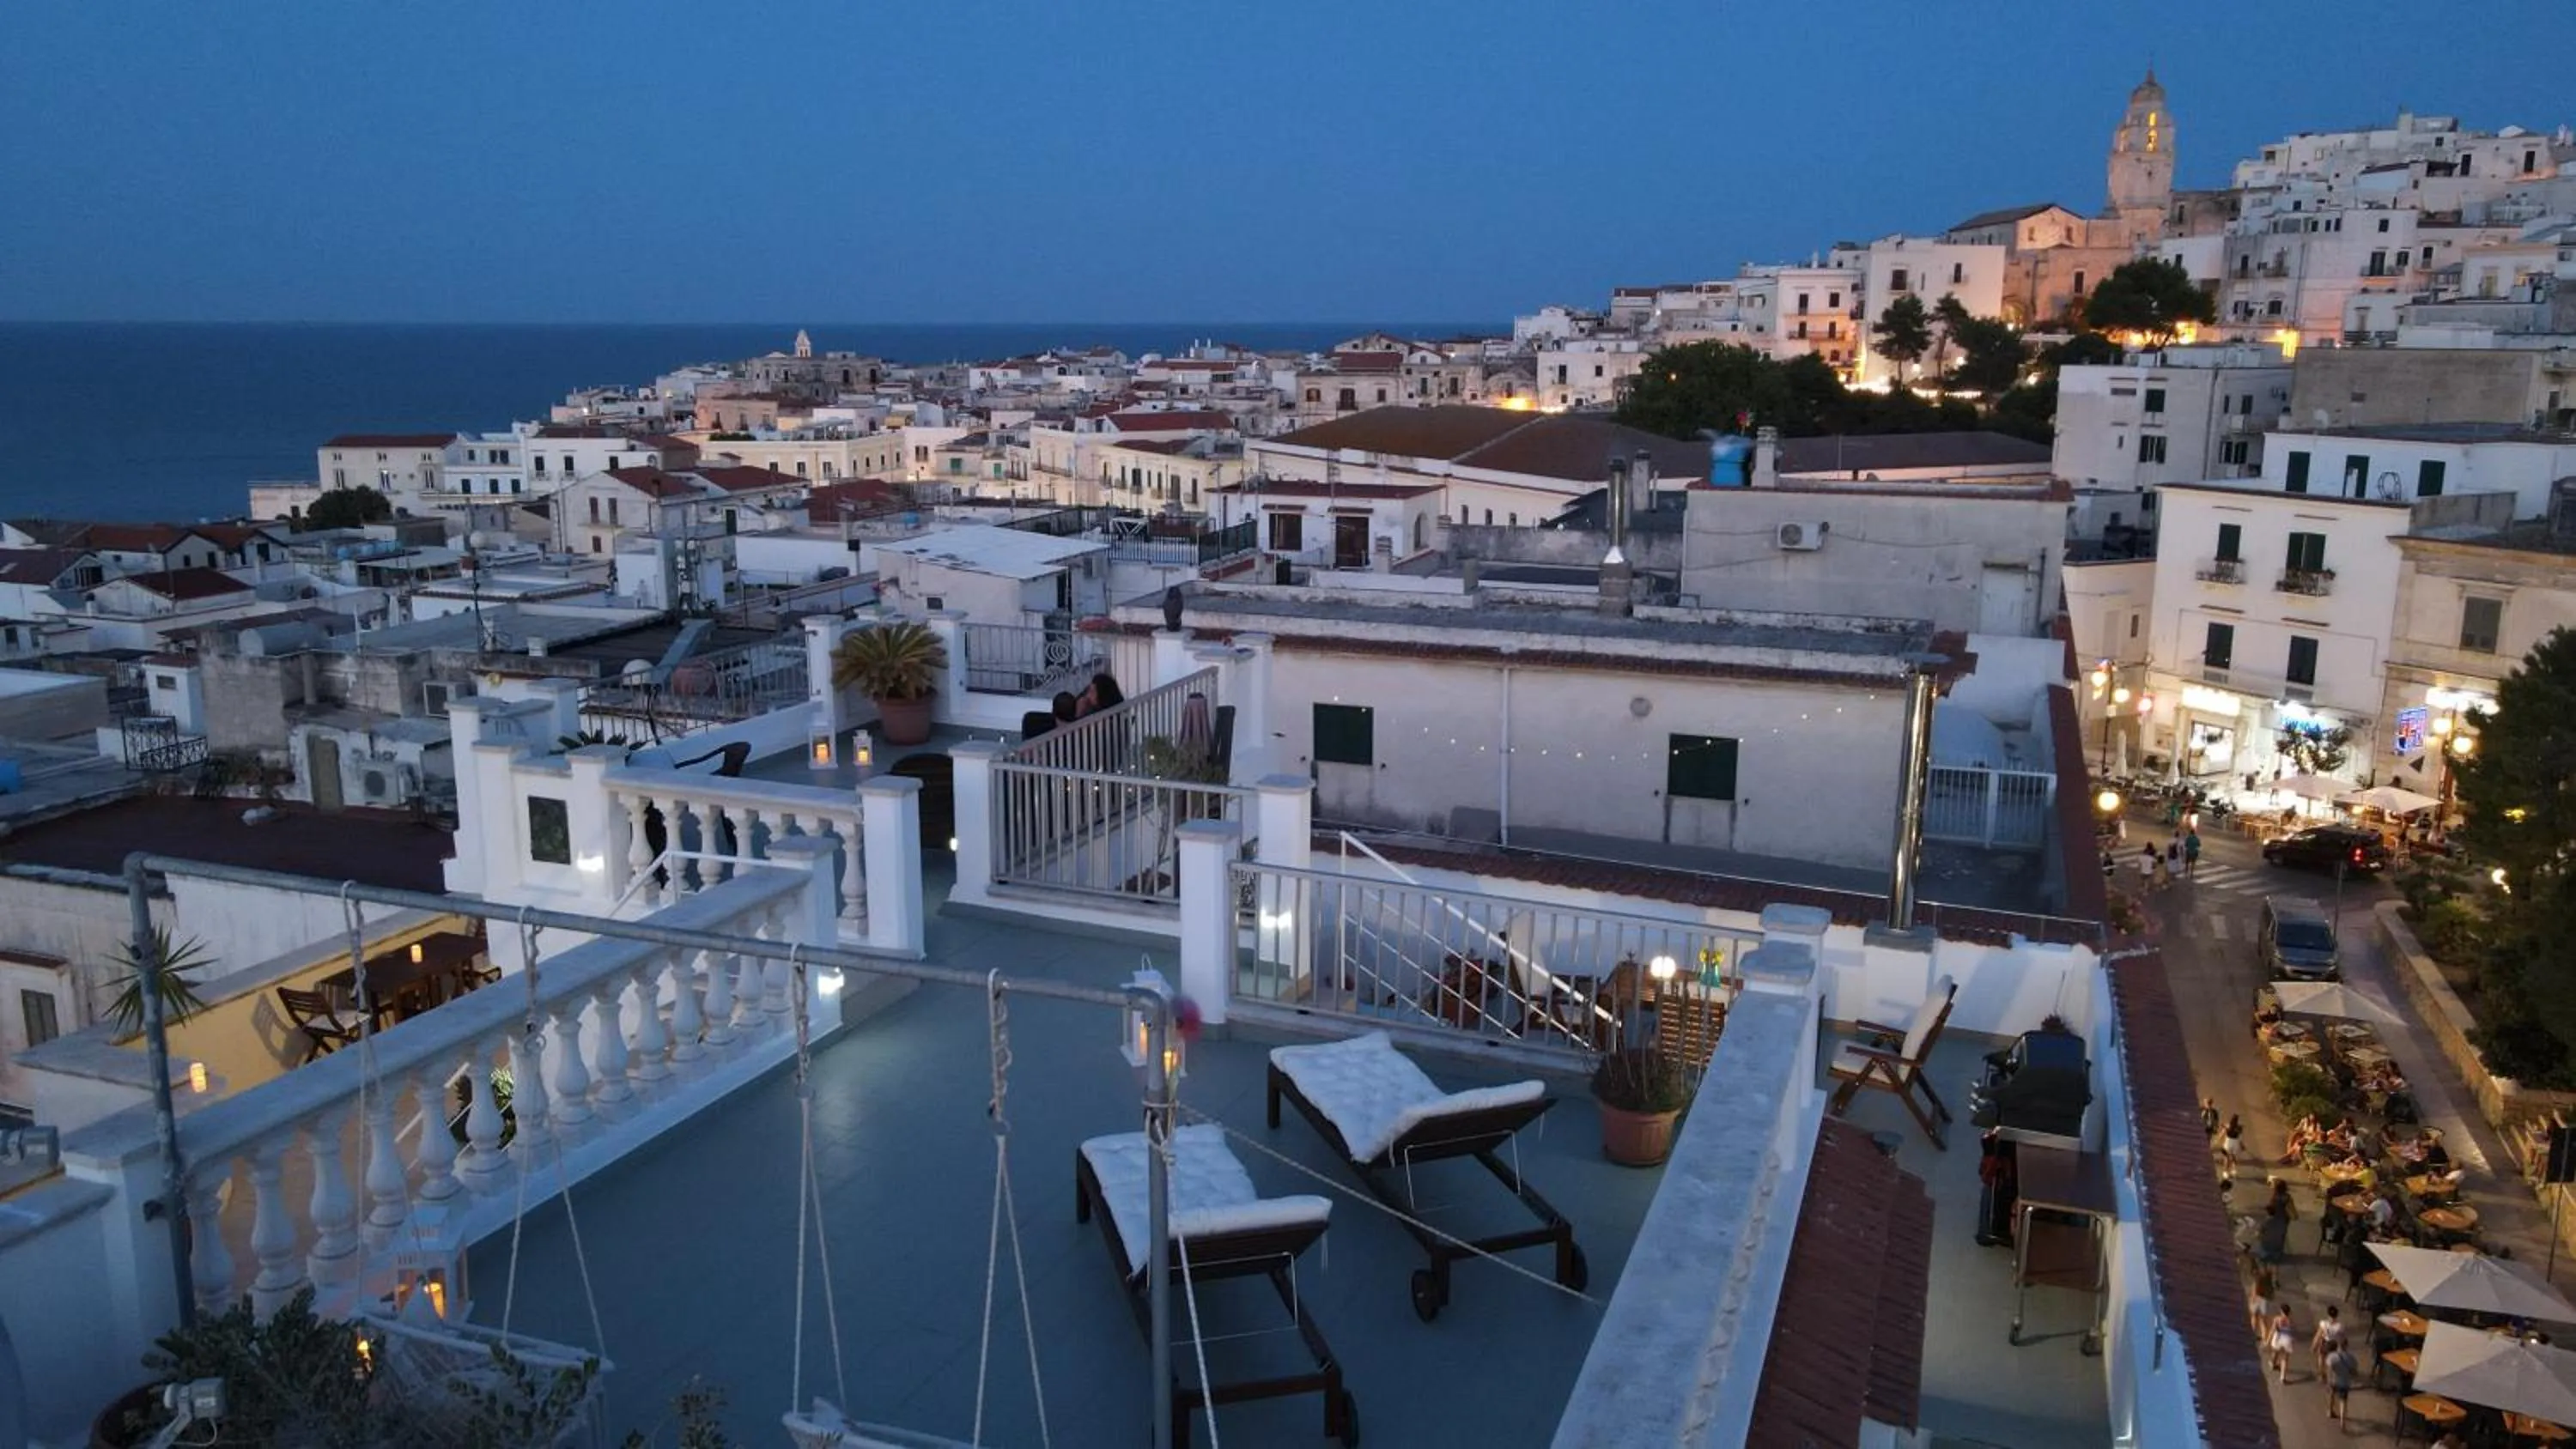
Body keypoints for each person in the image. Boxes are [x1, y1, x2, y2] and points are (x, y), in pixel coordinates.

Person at [2312, 1304, 2347, 1383]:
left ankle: (2322, 1375)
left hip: (2325, 1343)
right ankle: (2330, 1375)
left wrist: (2314, 1345)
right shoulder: (2340, 1326)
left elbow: (2318, 1335)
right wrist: (2343, 1347)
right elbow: (2343, 1338)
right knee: (2331, 1360)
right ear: (2337, 1315)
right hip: (2334, 1344)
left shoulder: (2324, 1324)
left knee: (2321, 1358)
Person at [2324, 1337, 2356, 1422]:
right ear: (2347, 1346)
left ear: (2338, 1346)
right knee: (2343, 1401)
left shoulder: (2332, 1356)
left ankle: (2330, 1411)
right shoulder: (2351, 1357)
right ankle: (2342, 1420)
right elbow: (2354, 1370)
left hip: (2334, 1381)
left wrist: (2328, 1380)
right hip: (2345, 1382)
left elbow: (2329, 1368)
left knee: (2332, 1394)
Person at [2268, 1301, 2299, 1383]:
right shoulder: (2291, 1321)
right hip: (2287, 1340)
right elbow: (2293, 1330)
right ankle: (2282, 1378)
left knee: (2275, 1352)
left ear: (2281, 1311)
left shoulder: (2277, 1319)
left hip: (2278, 1338)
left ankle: (2273, 1364)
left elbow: (2272, 1330)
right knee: (2284, 1359)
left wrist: (2267, 1341)